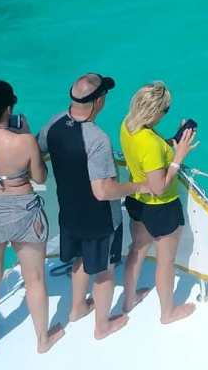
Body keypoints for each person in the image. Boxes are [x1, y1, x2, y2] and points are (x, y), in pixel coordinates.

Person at [38, 73, 146, 340]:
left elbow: (35, 150)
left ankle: (76, 309)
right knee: (106, 270)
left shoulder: (54, 123)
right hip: (100, 219)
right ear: (98, 102)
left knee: (80, 260)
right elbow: (103, 191)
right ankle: (102, 326)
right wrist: (137, 186)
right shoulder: (98, 139)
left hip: (69, 213)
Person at [0, 81, 63, 353]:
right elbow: (40, 178)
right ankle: (42, 340)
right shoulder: (24, 141)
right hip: (23, 214)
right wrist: (26, 135)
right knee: (35, 278)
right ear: (9, 109)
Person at [120, 81, 196, 324]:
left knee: (137, 249)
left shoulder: (127, 125)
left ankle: (128, 300)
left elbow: (144, 159)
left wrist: (171, 144)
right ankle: (167, 313)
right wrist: (179, 157)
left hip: (136, 201)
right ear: (155, 112)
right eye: (166, 109)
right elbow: (159, 186)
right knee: (166, 262)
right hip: (161, 206)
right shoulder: (151, 144)